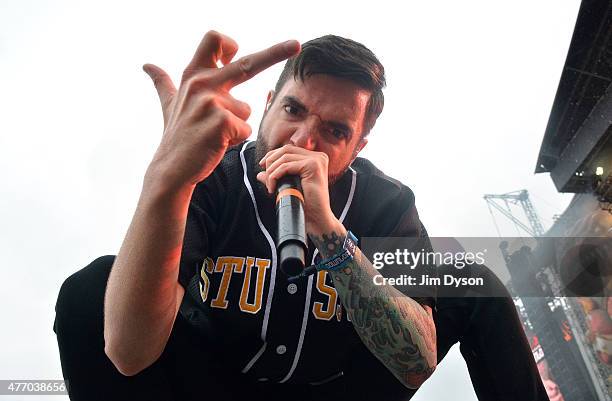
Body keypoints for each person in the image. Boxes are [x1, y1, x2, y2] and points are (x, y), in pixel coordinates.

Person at [54, 31, 549, 401]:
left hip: (331, 388)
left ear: (357, 148)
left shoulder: (386, 204)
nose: (302, 140)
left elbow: (414, 365)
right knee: (92, 285)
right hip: (214, 383)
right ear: (267, 106)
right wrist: (167, 181)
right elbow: (128, 352)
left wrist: (332, 237)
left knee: (470, 277)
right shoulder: (211, 178)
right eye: (293, 109)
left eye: (335, 131)